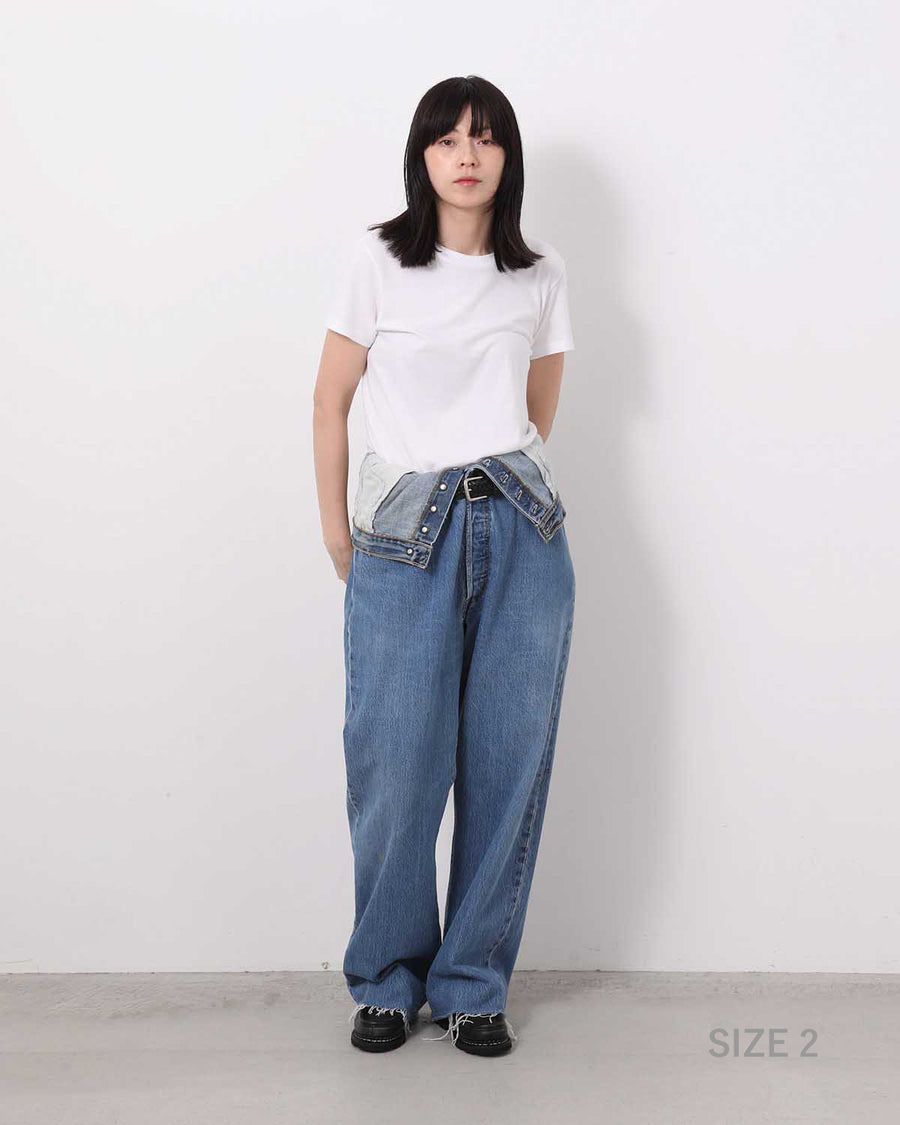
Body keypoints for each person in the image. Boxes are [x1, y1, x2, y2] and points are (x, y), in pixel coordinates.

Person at [312, 75, 576, 1057]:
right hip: (400, 538)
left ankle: (472, 984)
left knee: (507, 769)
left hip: (520, 534)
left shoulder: (539, 274)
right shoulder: (378, 260)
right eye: (448, 139)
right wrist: (337, 530)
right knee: (396, 770)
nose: (468, 155)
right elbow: (329, 400)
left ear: (508, 157)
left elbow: (537, 411)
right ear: (421, 156)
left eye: (487, 138)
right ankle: (386, 980)